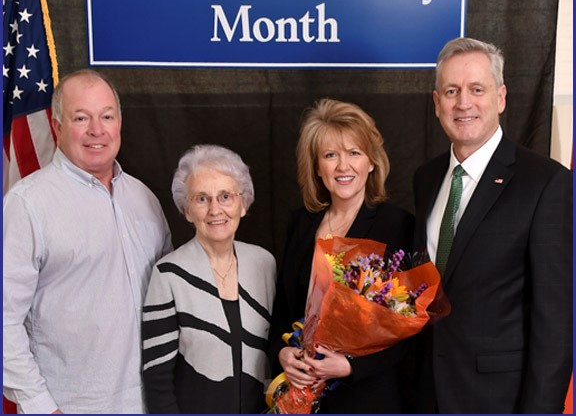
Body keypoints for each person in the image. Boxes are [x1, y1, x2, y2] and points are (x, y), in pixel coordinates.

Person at [412, 37, 573, 413]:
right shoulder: (426, 178)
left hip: (499, 400)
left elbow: (556, 323)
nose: (463, 102)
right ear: (437, 104)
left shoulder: (545, 183)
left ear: (500, 97)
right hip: (425, 394)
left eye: (476, 89)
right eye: (451, 91)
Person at [3, 69, 173, 414]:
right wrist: (41, 407)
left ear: (119, 123)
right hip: (69, 405)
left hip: (147, 404)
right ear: (57, 126)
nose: (97, 130)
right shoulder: (28, 204)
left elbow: (170, 300)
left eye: (106, 116)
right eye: (81, 118)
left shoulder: (143, 199)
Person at [268, 98, 415, 413]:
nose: (343, 166)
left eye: (354, 153)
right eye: (330, 155)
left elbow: (409, 331)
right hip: (300, 394)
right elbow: (282, 308)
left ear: (371, 162)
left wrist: (350, 367)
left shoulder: (396, 225)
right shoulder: (301, 224)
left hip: (367, 399)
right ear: (318, 168)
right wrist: (283, 354)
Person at [142, 144, 277, 414]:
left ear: (243, 203)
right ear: (187, 210)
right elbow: (157, 379)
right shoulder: (168, 274)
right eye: (201, 198)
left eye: (226, 196)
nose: (215, 209)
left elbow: (273, 357)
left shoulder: (264, 263)